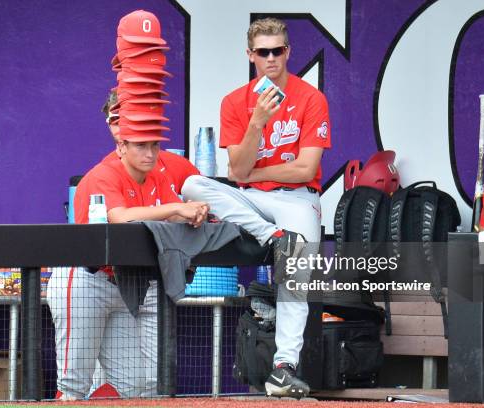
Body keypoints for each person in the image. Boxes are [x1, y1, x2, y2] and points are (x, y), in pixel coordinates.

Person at [182, 17, 331, 397]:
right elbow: (236, 170)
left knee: (295, 267)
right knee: (191, 184)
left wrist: (257, 169)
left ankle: (283, 367)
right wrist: (257, 123)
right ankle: (272, 237)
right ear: (250, 55)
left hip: (297, 197)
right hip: (253, 199)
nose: (271, 58)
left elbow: (307, 168)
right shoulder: (235, 101)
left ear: (288, 52)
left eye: (277, 50)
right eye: (263, 52)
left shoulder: (311, 98)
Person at [47, 130, 209, 400]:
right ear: (121, 146)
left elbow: (175, 216)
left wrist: (194, 213)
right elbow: (119, 217)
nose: (150, 153)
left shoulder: (159, 176)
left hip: (124, 285)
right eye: (141, 146)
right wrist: (175, 210)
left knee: (132, 384)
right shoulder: (104, 173)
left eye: (154, 145)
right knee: (74, 384)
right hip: (85, 280)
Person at [102, 91, 200, 195]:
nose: (124, 125)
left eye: (130, 119)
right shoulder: (104, 172)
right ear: (109, 125)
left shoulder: (179, 165)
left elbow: (206, 206)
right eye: (116, 120)